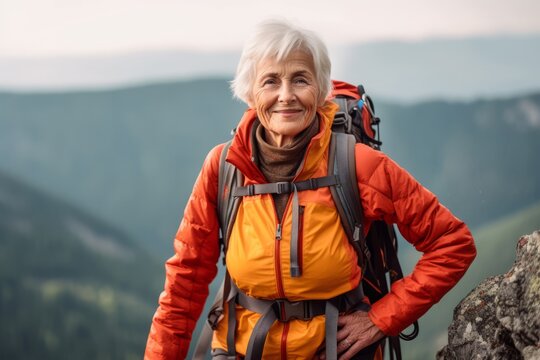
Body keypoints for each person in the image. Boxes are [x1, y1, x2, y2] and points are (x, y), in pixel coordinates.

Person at [144, 20, 476, 360]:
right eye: (270, 81)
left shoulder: (358, 165)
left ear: (319, 89)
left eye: (300, 79)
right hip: (242, 349)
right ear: (250, 92)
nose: (285, 95)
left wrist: (381, 319)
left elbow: (452, 243)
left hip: (335, 349)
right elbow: (184, 282)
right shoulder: (224, 168)